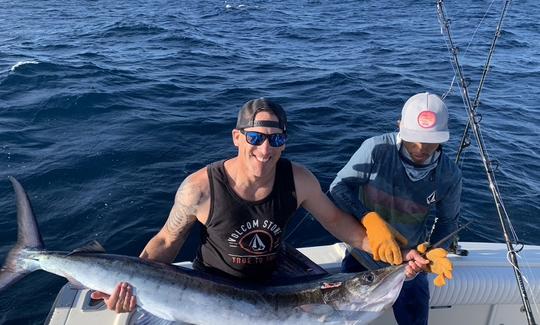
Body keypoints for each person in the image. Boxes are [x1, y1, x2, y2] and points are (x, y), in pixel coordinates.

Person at [92, 97, 427, 313]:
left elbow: (337, 222)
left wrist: (394, 253)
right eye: (255, 137)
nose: (265, 150)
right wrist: (124, 285)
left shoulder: (299, 179)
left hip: (276, 290)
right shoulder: (200, 188)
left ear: (284, 142)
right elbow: (166, 241)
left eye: (276, 139)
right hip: (209, 291)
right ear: (237, 137)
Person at [329, 92, 461, 325]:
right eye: (414, 138)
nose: (422, 147)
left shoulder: (449, 175)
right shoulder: (375, 150)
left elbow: (448, 221)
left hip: (409, 262)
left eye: (431, 140)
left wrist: (432, 252)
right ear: (399, 126)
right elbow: (339, 188)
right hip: (364, 255)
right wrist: (368, 219)